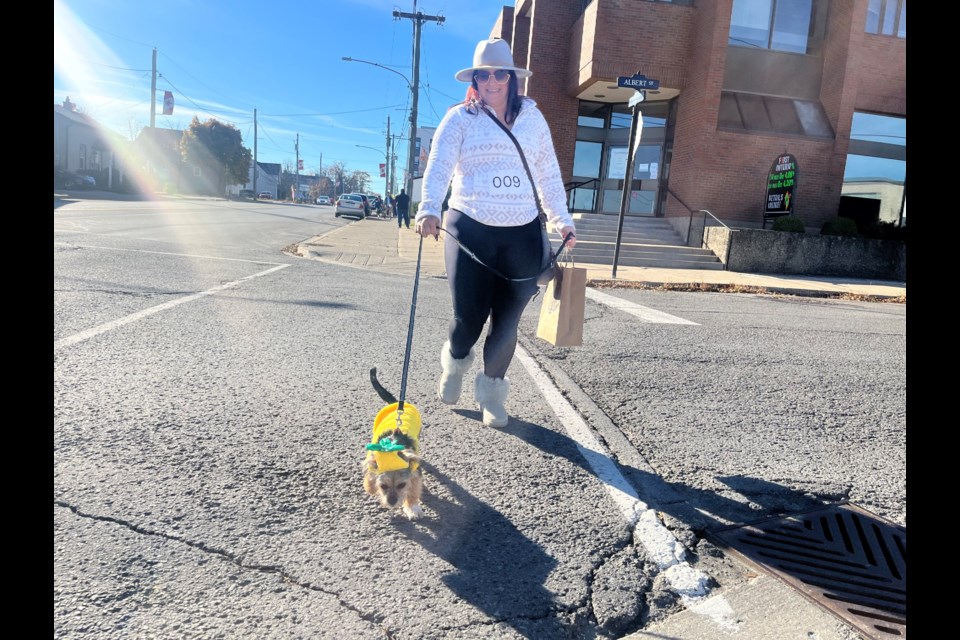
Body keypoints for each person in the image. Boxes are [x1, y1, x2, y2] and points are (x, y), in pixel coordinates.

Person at [414, 37, 576, 427]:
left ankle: (491, 394)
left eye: (499, 73)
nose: (491, 81)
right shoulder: (459, 119)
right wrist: (429, 208)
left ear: (512, 77)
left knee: (506, 323)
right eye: (483, 74)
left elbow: (547, 173)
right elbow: (438, 167)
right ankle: (454, 365)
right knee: (468, 318)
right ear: (475, 78)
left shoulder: (533, 119)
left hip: (521, 233)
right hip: (469, 226)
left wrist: (562, 219)